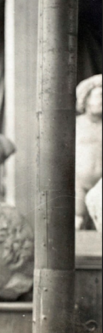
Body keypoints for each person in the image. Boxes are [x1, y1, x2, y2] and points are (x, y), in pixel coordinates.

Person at [75, 74, 102, 229]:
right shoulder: (76, 124)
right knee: (76, 222)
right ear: (86, 99)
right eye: (100, 96)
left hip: (101, 187)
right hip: (78, 184)